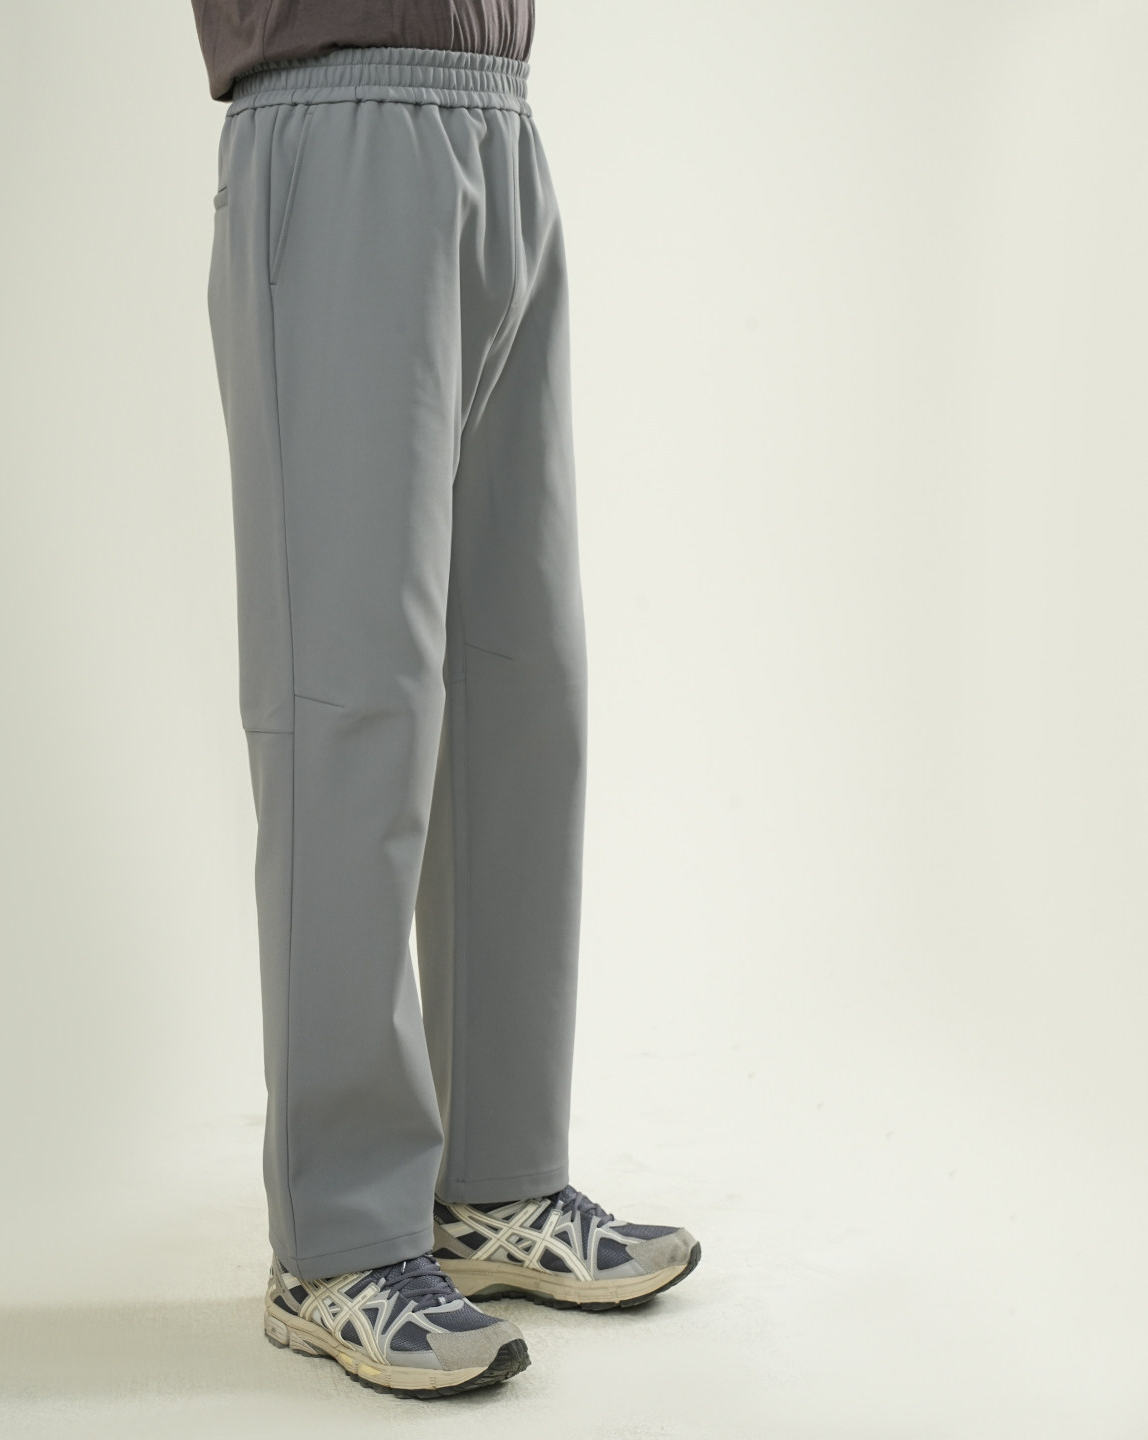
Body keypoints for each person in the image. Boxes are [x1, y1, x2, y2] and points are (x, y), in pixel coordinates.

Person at [192, 1, 700, 1397]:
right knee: (351, 701)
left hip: (500, 119)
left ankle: (497, 1181)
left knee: (520, 687)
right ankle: (341, 1241)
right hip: (334, 111)